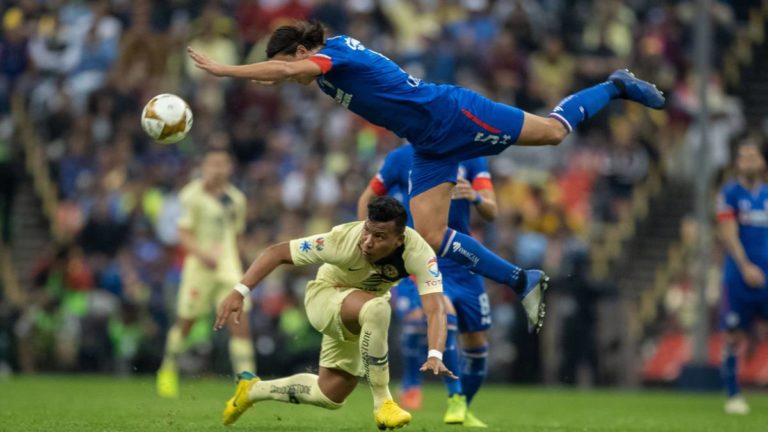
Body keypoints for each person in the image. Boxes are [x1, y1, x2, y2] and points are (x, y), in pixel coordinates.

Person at [188, 20, 665, 333]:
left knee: (554, 133)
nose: (290, 77)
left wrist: (224, 70)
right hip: (428, 145)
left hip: (452, 114)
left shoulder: (333, 55)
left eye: (289, 66)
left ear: (298, 51)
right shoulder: (319, 70)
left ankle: (614, 85)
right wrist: (266, 75)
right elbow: (284, 72)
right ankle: (523, 281)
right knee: (431, 234)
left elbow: (293, 68)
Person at [214, 196, 454, 430]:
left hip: (360, 311)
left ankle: (252, 390)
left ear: (399, 240)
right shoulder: (342, 240)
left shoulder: (419, 253)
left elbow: (435, 308)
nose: (368, 241)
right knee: (379, 307)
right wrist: (239, 292)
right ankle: (384, 403)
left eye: (379, 236)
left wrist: (435, 354)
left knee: (329, 394)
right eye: (367, 231)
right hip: (325, 296)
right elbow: (277, 253)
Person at [357, 143, 497, 427]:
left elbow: (492, 210)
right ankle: (447, 396)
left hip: (463, 261)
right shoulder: (399, 158)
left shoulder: (471, 156)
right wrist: (366, 239)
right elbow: (367, 198)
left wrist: (476, 198)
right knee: (442, 314)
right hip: (424, 259)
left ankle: (463, 406)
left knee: (478, 346)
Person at [156, 148, 254, 398]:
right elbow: (184, 234)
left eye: (222, 164)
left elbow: (238, 235)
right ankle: (167, 369)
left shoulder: (236, 199)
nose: (217, 169)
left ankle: (246, 382)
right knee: (186, 321)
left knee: (239, 322)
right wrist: (202, 255)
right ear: (204, 167)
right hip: (199, 269)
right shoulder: (191, 195)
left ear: (230, 168)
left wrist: (244, 263)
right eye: (212, 164)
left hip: (229, 268)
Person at [715, 140, 768, 415]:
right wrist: (746, 266)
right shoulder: (730, 194)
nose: (747, 161)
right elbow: (728, 232)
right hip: (738, 275)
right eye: (742, 156)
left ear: (762, 162)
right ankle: (733, 395)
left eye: (752, 156)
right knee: (733, 335)